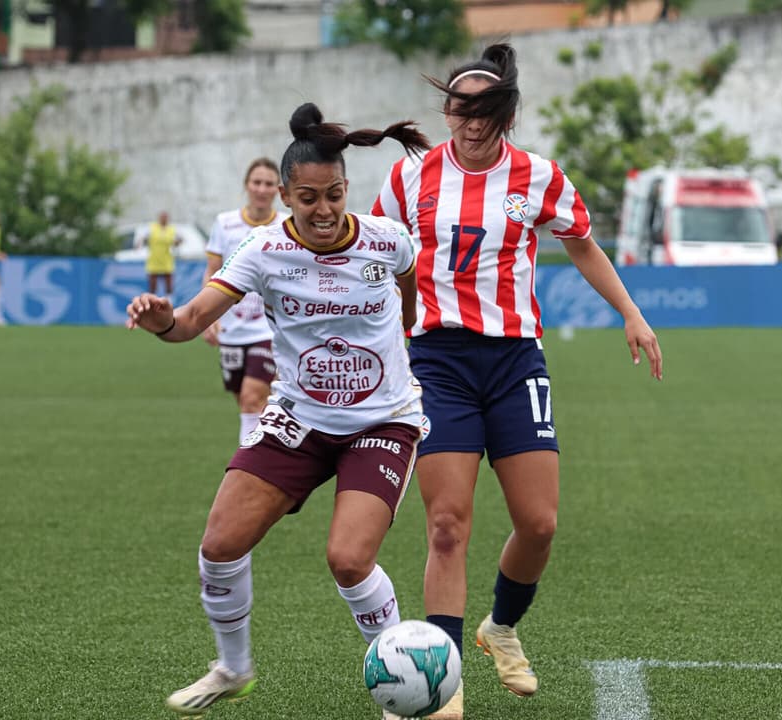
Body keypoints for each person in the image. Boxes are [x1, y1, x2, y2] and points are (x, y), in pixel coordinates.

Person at [371, 43, 663, 719]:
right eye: (459, 110)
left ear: (506, 113)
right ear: (446, 111)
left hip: (513, 360)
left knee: (539, 523)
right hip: (435, 362)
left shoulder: (538, 176)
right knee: (448, 524)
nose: (471, 124)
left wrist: (631, 313)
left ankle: (500, 628)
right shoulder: (411, 176)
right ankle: (439, 683)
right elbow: (380, 255)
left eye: (486, 111)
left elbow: (581, 242)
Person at [126, 103, 431, 719]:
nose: (324, 211)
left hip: (383, 422)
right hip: (299, 418)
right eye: (309, 197)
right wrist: (163, 322)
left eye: (335, 195)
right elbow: (189, 322)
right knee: (219, 544)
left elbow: (409, 301)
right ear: (286, 197)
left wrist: (403, 340)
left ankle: (405, 688)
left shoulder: (388, 240)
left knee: (348, 559)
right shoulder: (262, 251)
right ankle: (233, 669)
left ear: (349, 189)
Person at [202, 159, 285, 444]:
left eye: (269, 183)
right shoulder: (225, 224)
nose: (262, 189)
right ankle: (276, 456)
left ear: (279, 189)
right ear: (246, 186)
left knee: (252, 398)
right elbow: (212, 271)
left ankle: (250, 471)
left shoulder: (286, 225)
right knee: (247, 403)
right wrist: (207, 317)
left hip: (270, 331)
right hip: (232, 330)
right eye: (256, 182)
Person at [145, 211, 181, 296]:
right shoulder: (152, 228)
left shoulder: (172, 229)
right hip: (154, 260)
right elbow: (144, 238)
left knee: (169, 283)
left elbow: (179, 240)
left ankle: (169, 300)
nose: (164, 219)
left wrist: (177, 242)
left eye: (165, 217)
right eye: (162, 217)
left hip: (167, 260)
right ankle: (151, 301)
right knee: (152, 285)